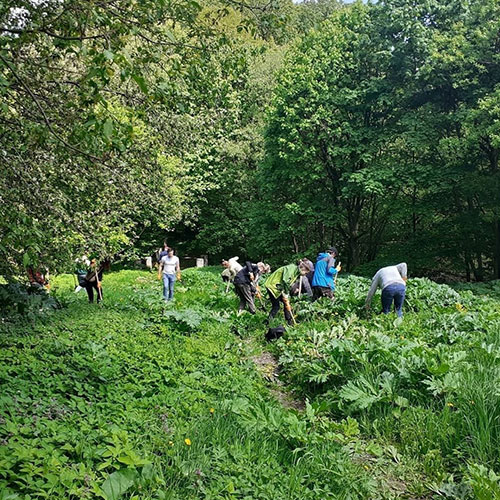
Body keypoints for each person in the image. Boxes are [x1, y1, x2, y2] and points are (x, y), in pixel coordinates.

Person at [265, 261, 310, 325]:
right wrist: (286, 293)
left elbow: (289, 284)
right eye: (305, 273)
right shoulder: (291, 269)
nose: (305, 275)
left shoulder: (296, 272)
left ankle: (289, 321)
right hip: (273, 286)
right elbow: (285, 281)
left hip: (278, 287)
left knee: (286, 304)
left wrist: (287, 293)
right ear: (303, 269)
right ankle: (268, 322)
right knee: (276, 306)